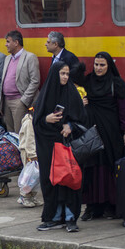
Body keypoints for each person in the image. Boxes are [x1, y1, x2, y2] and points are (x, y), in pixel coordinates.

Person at [34, 62, 87, 232]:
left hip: (67, 145)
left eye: (67, 74)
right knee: (51, 181)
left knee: (69, 179)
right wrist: (46, 119)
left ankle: (71, 217)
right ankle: (54, 217)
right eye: (62, 73)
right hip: (48, 147)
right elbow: (36, 121)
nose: (65, 77)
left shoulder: (72, 93)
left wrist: (70, 125)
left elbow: (83, 118)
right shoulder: (46, 94)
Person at [81, 52, 125, 221]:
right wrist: (83, 102)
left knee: (109, 166)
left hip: (111, 132)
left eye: (102, 65)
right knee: (92, 165)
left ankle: (111, 205)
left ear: (109, 66)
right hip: (92, 130)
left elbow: (124, 109)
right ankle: (93, 206)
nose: (98, 68)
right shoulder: (88, 81)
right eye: (96, 64)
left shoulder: (117, 83)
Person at [0, 30, 40, 133]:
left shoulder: (30, 57)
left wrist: (24, 100)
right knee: (10, 132)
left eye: (8, 42)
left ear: (16, 43)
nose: (6, 44)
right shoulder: (7, 58)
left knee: (20, 133)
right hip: (6, 101)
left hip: (19, 100)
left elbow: (35, 81)